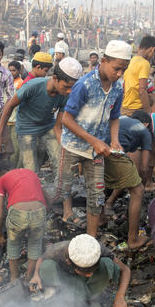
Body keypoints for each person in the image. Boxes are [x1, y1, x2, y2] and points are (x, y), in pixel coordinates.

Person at [54, 40, 131, 237]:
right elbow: (67, 120)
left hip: (96, 150)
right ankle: (65, 213)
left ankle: (91, 237)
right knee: (63, 187)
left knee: (96, 195)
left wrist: (114, 140)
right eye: (117, 69)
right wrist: (94, 140)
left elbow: (114, 117)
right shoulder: (85, 85)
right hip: (73, 146)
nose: (119, 74)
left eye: (124, 70)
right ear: (103, 60)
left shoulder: (117, 89)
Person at [0, 57, 82, 175]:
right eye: (66, 86)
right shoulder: (33, 86)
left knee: (61, 163)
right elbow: (9, 106)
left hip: (48, 127)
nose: (69, 91)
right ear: (55, 78)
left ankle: (60, 192)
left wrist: (62, 146)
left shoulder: (65, 95)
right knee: (31, 169)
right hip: (26, 129)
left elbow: (58, 126)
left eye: (72, 88)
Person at [29, 234, 131, 307]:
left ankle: (90, 299)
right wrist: (36, 275)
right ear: (69, 262)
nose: (89, 274)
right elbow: (42, 258)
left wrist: (120, 296)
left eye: (92, 270)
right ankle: (64, 299)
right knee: (47, 266)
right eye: (85, 272)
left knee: (107, 263)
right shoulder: (59, 249)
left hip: (91, 284)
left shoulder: (96, 249)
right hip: (68, 281)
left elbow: (125, 270)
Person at [0, 160, 47, 282]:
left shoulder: (1, 181)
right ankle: (28, 278)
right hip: (40, 210)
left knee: (13, 244)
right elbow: (47, 197)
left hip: (18, 214)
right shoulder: (29, 172)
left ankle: (14, 278)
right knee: (35, 244)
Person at [102, 115, 150, 249]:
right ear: (146, 124)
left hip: (96, 143)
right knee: (137, 190)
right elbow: (144, 167)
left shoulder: (124, 120)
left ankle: (101, 219)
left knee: (99, 184)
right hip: (112, 149)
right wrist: (142, 185)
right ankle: (133, 239)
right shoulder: (145, 132)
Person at [122, 35, 155, 115]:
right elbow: (142, 91)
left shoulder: (131, 61)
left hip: (125, 108)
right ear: (152, 50)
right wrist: (148, 114)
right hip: (137, 109)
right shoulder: (144, 63)